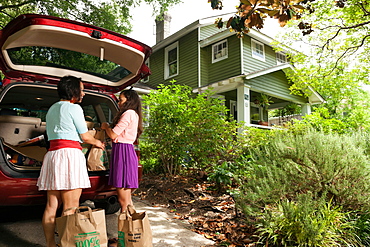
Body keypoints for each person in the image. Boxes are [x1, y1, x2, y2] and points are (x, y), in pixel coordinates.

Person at [37, 75, 105, 247]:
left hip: (53, 155)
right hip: (70, 156)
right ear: (73, 90)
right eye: (82, 89)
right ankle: (67, 244)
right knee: (70, 206)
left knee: (51, 205)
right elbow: (84, 136)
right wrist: (98, 142)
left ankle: (51, 244)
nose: (83, 93)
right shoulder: (74, 108)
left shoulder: (52, 108)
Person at [101, 89, 143, 213]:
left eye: (121, 100)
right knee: (127, 199)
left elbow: (114, 135)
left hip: (123, 152)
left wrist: (106, 127)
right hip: (125, 151)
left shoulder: (128, 113)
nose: (119, 103)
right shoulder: (134, 114)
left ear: (129, 100)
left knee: (123, 199)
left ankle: (125, 228)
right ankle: (132, 228)